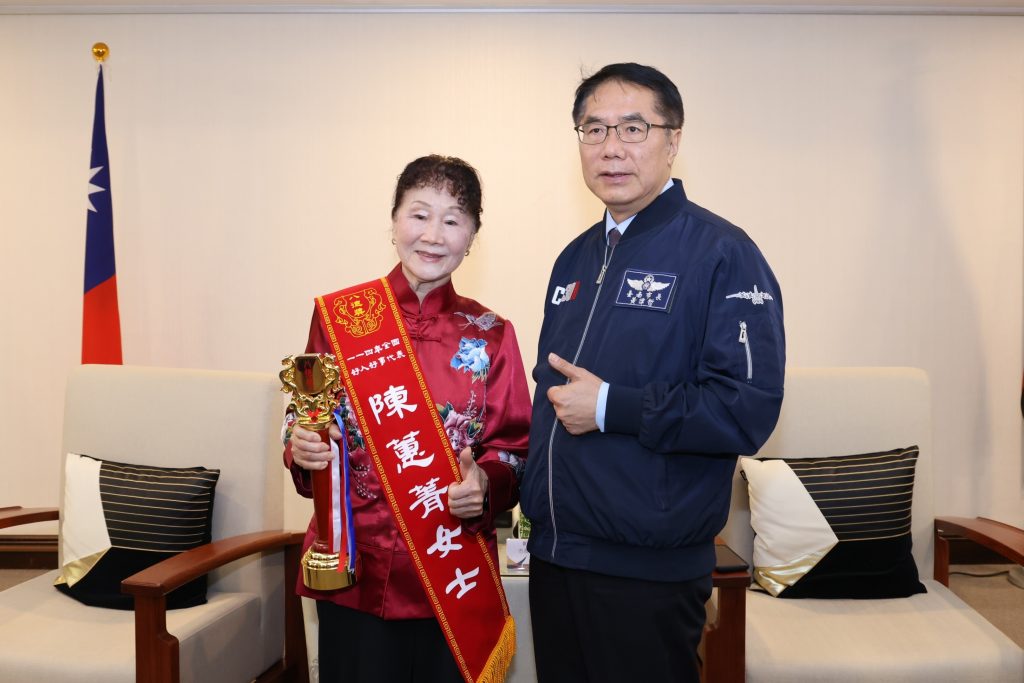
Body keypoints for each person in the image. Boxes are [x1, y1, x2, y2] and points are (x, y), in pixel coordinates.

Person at [519, 63, 786, 683]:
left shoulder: (723, 253)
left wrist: (611, 407)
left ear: (673, 140)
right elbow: (549, 400)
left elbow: (745, 409)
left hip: (646, 571)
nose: (611, 147)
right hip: (555, 556)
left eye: (633, 128)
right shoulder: (573, 259)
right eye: (594, 129)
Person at [284, 155, 531, 683]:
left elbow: (514, 449)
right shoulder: (341, 317)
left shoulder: (491, 333)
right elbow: (306, 416)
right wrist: (302, 445)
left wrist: (486, 483)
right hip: (354, 571)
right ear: (394, 219)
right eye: (419, 214)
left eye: (452, 220)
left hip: (450, 577)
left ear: (472, 236)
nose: (433, 235)